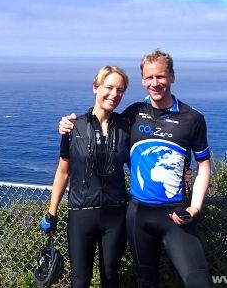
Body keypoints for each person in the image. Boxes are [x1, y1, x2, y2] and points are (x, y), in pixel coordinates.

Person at [59, 49, 213, 288]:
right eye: (149, 78)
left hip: (176, 213)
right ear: (142, 81)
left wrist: (195, 207)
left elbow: (204, 165)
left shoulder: (192, 118)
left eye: (160, 76)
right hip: (137, 214)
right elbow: (102, 123)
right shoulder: (133, 115)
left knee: (199, 281)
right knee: (146, 282)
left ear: (172, 76)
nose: (155, 83)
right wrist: (69, 123)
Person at [41, 65, 131, 288]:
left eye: (120, 90)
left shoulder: (127, 127)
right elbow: (63, 171)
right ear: (95, 88)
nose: (114, 94)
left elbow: (140, 165)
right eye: (108, 87)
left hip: (116, 214)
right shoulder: (73, 127)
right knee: (80, 281)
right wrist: (52, 212)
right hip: (81, 214)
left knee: (111, 277)